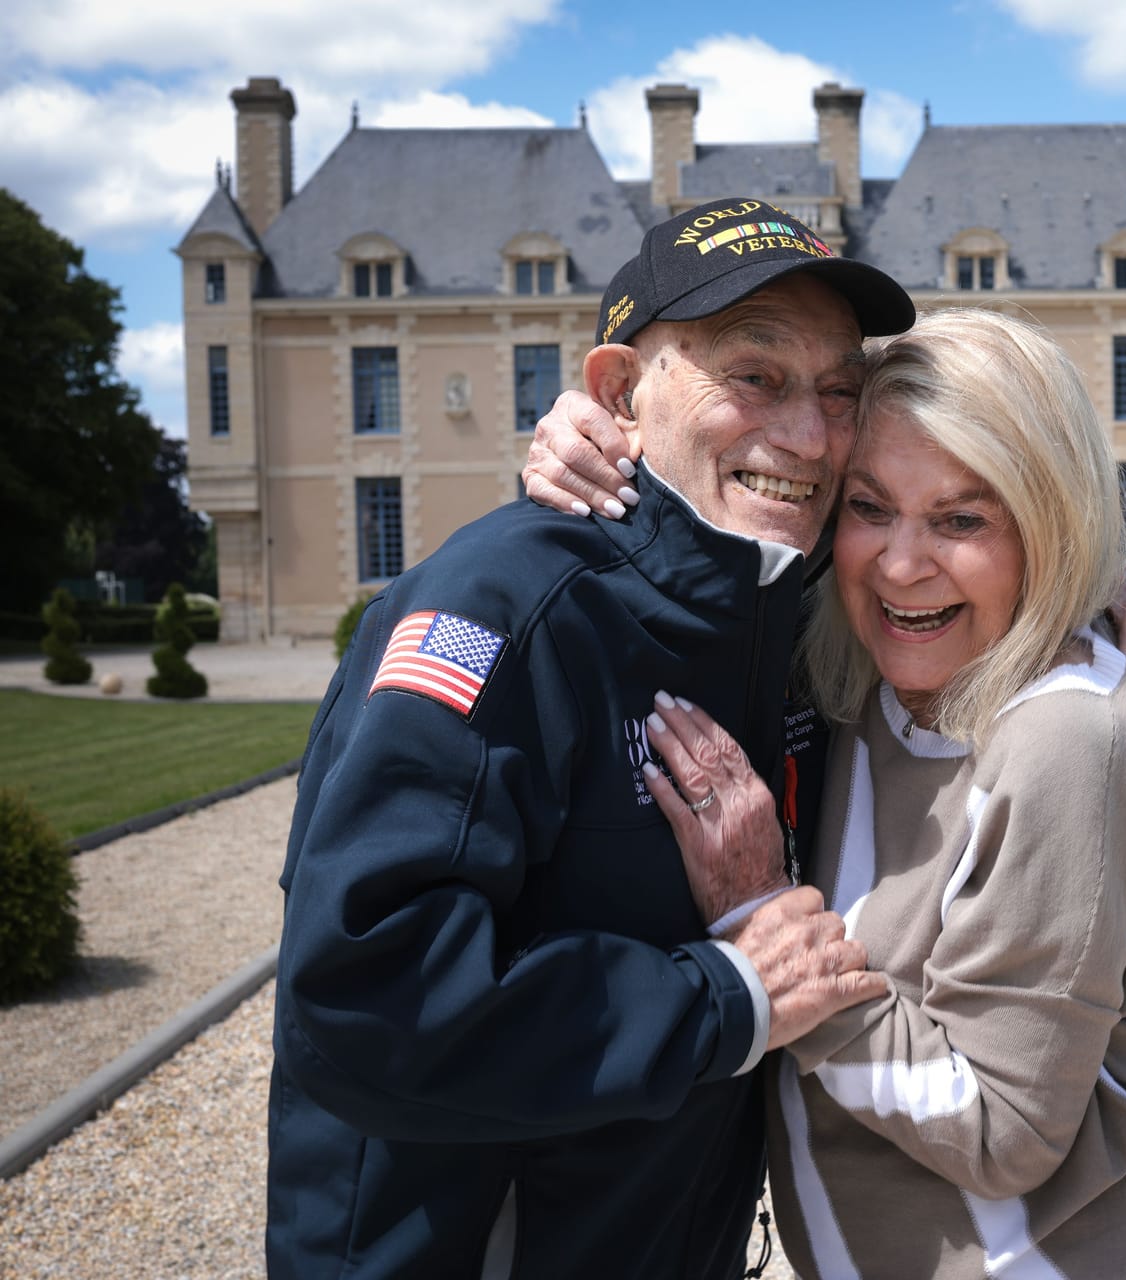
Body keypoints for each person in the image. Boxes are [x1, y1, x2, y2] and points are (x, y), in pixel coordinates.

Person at [267, 197, 914, 1278]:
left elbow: (971, 519)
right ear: (620, 391)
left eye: (838, 392)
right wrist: (731, 995)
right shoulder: (501, 609)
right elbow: (364, 995)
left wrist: (1087, 576)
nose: (808, 436)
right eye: (754, 376)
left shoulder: (795, 606)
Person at [624, 310, 1126, 1277]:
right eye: (870, 507)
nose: (901, 564)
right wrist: (608, 438)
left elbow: (1004, 1129)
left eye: (963, 518)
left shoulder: (1064, 737)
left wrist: (769, 933)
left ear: (1050, 522)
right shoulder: (877, 672)